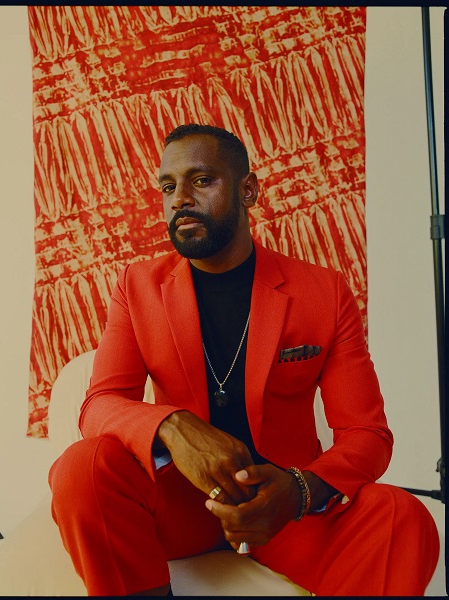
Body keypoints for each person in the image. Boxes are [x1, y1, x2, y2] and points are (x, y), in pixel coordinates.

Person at [49, 123, 439, 596]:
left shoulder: (323, 291)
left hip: (283, 511)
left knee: (401, 515)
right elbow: (100, 404)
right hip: (180, 507)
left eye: (202, 180)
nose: (180, 199)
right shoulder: (137, 287)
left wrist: (298, 491)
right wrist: (173, 426)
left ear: (248, 190)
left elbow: (367, 434)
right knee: (82, 468)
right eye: (168, 187)